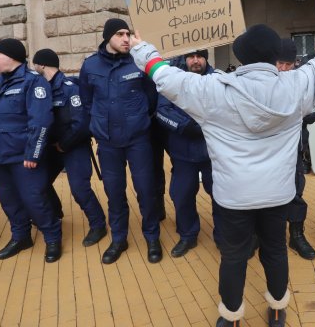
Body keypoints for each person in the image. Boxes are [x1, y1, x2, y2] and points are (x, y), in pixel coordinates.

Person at [129, 20, 315, 327]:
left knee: (234, 257)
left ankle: (232, 316)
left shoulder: (211, 90)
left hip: (233, 197)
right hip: (278, 194)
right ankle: (277, 310)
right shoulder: (298, 85)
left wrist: (141, 49)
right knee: (276, 252)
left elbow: (165, 76)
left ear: (241, 56)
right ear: (273, 55)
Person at [79, 18, 162, 265]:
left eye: (128, 34)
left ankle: (152, 238)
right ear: (107, 38)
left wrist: (139, 120)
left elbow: (152, 97)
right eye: (120, 34)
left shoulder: (139, 61)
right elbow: (86, 101)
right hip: (108, 143)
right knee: (114, 193)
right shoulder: (90, 66)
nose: (126, 39)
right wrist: (98, 125)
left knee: (146, 191)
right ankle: (119, 239)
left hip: (138, 141)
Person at [0, 38, 62, 263]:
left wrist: (33, 154)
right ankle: (21, 236)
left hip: (23, 158)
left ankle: (53, 238)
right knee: (9, 200)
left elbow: (41, 121)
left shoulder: (34, 82)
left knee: (35, 199)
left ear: (12, 56)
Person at [31, 48, 108, 247]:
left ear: (41, 65)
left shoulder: (69, 88)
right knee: (40, 183)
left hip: (73, 146)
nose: (34, 67)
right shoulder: (40, 88)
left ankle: (98, 224)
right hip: (52, 147)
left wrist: (64, 145)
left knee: (80, 189)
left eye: (35, 63)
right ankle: (55, 213)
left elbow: (81, 124)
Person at [156, 49, 218, 257]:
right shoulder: (174, 80)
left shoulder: (217, 79)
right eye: (191, 56)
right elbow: (162, 110)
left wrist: (206, 126)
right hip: (182, 153)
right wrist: (184, 126)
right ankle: (188, 235)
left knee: (221, 196)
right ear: (185, 58)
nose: (195, 60)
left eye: (200, 56)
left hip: (213, 154)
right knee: (181, 196)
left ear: (206, 58)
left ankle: (225, 234)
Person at [277, 39, 315, 260]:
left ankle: (296, 234)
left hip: (294, 151)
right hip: (269, 153)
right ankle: (259, 235)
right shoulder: (265, 80)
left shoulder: (303, 82)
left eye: (288, 64)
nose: (283, 69)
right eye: (279, 63)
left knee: (295, 193)